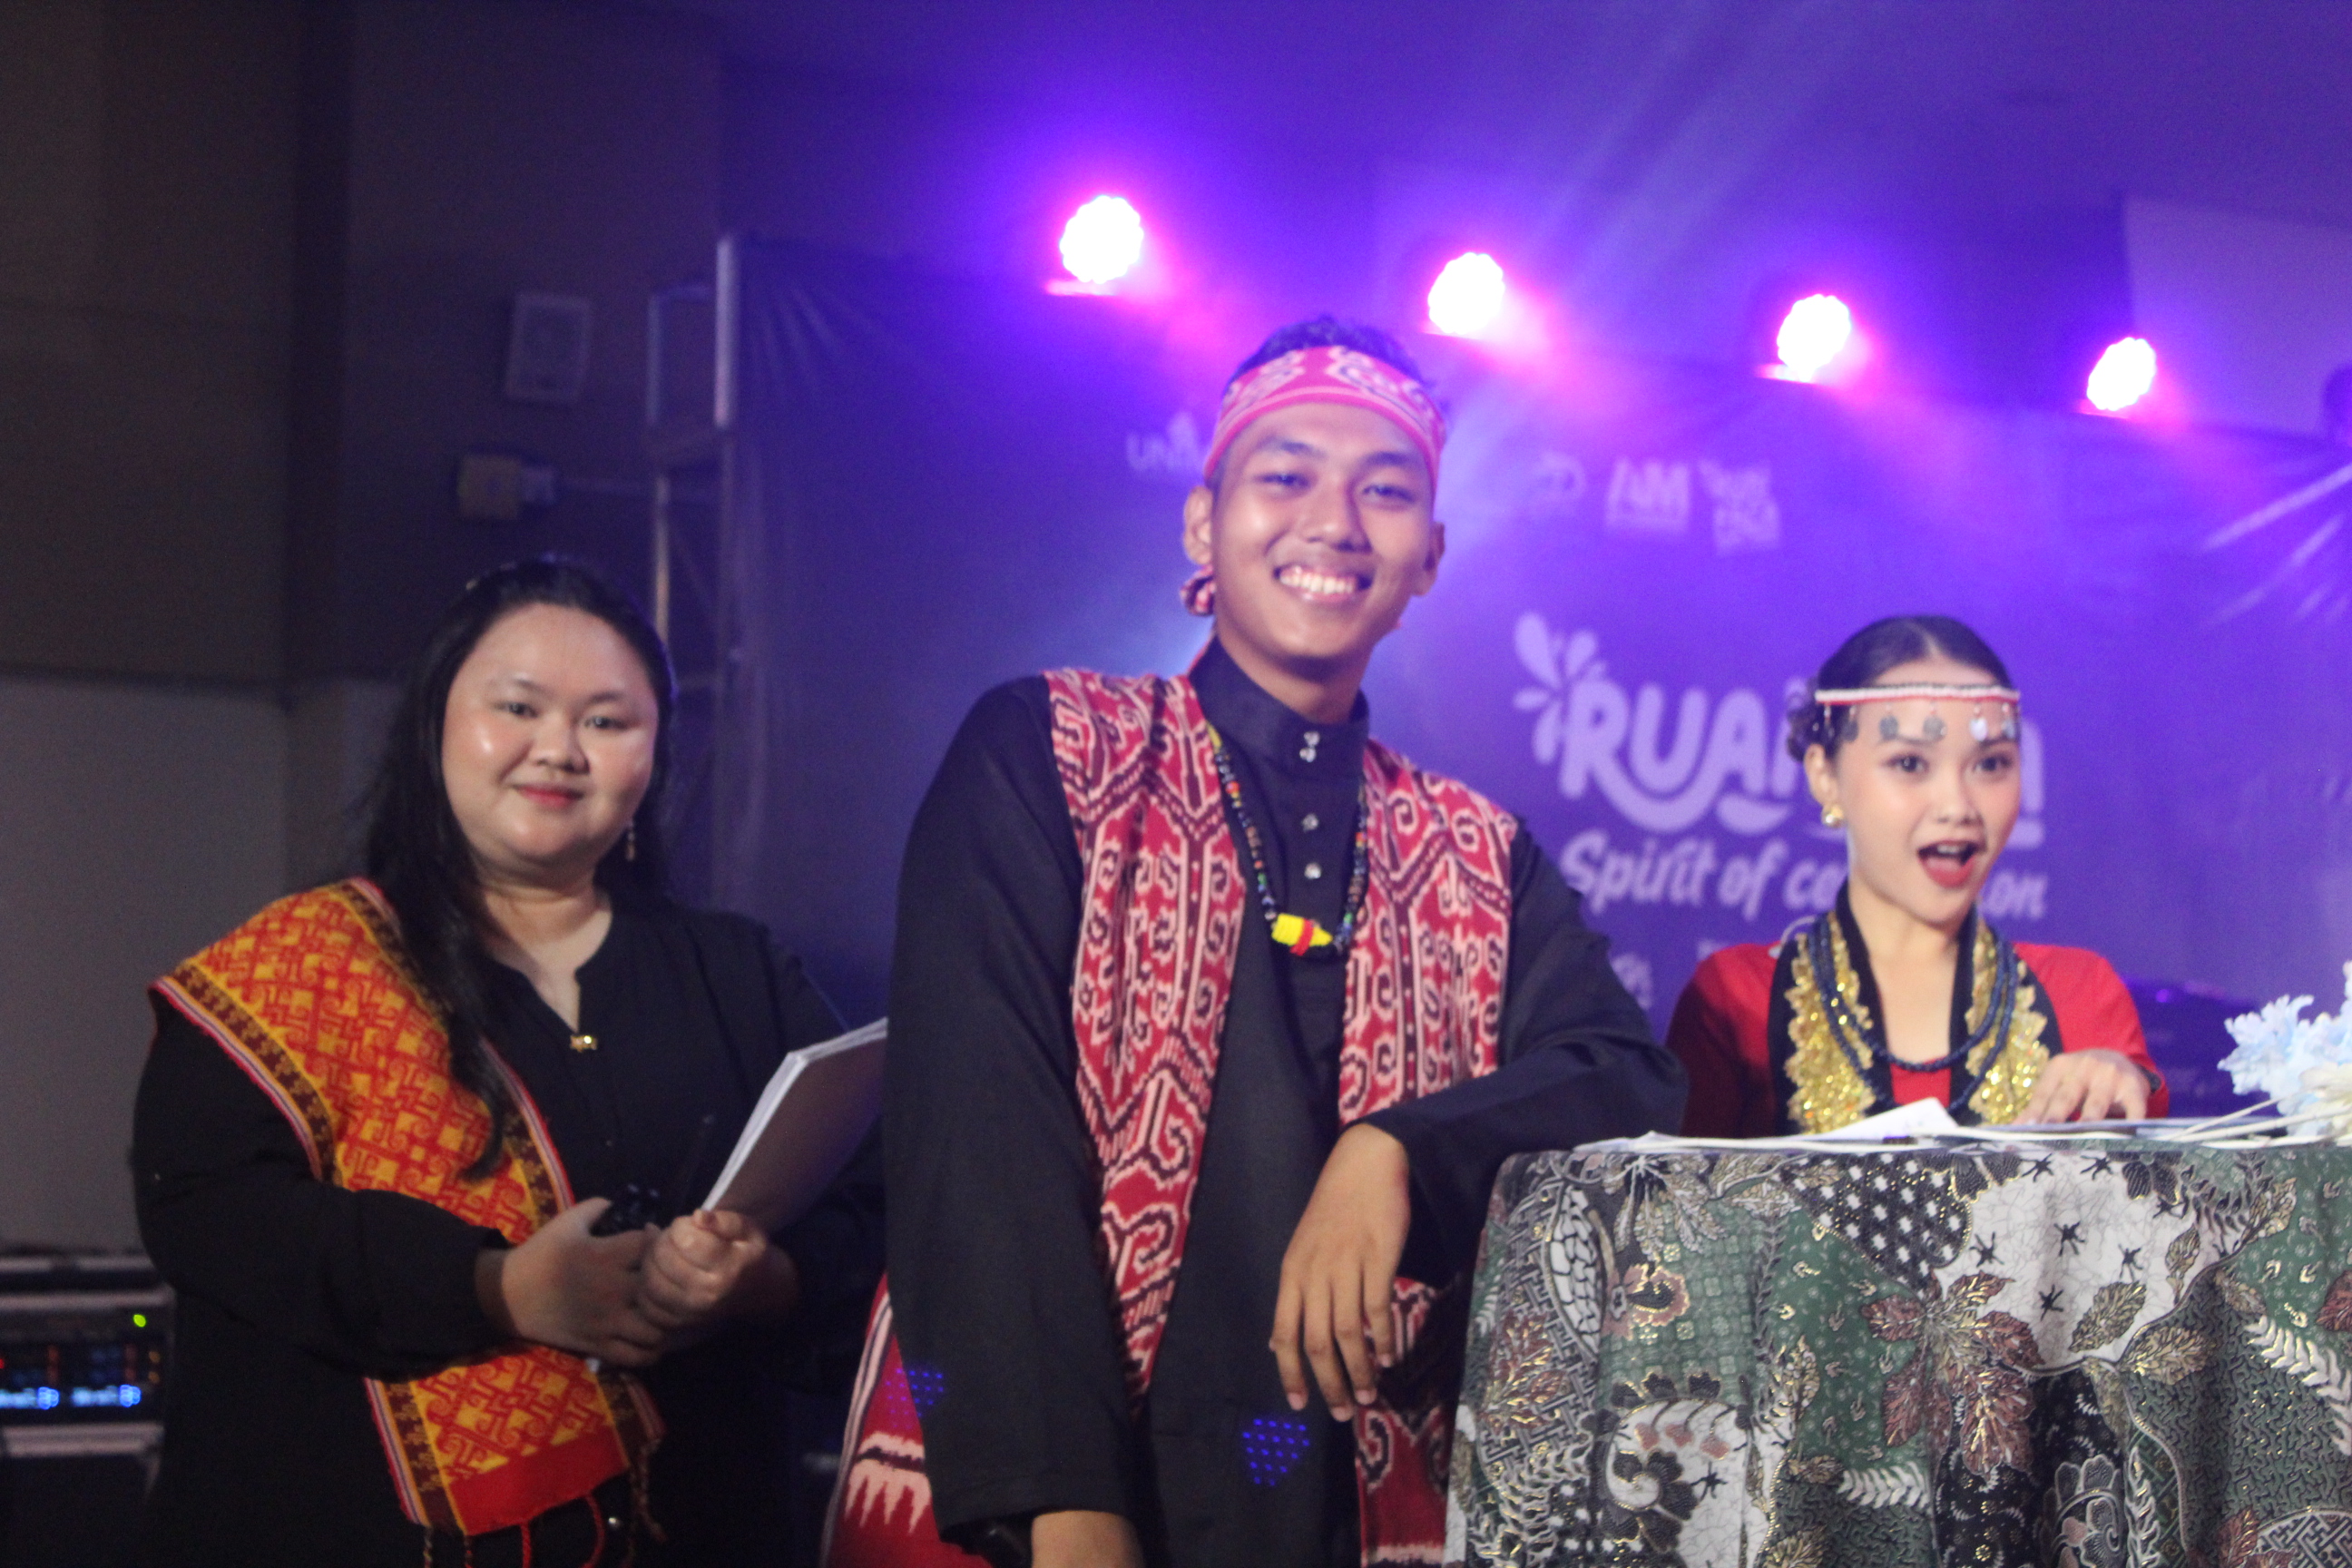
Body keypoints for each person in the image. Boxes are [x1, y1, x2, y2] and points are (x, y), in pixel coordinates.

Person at [825, 319, 1685, 1568]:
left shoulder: (1474, 847)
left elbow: (1624, 1076)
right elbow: (978, 1133)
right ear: (1203, 521)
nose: (1334, 521)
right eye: (1286, 475)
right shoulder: (1050, 751)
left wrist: (1400, 1150)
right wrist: (1065, 1503)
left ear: (1430, 555)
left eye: (1385, 491)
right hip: (1066, 1483)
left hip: (1341, 1495)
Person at [132, 559, 881, 1567]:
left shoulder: (739, 975)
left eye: (607, 721)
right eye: (519, 708)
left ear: (654, 755)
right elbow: (209, 1216)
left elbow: (887, 1220)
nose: (559, 750)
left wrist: (765, 1281)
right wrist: (498, 1288)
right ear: (436, 723)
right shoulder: (300, 970)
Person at [1666, 614, 2166, 1137]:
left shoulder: (2078, 996)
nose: (1957, 806)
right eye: (1909, 764)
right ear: (1825, 775)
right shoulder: (1737, 999)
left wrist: (2118, 1082)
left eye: (1991, 764)